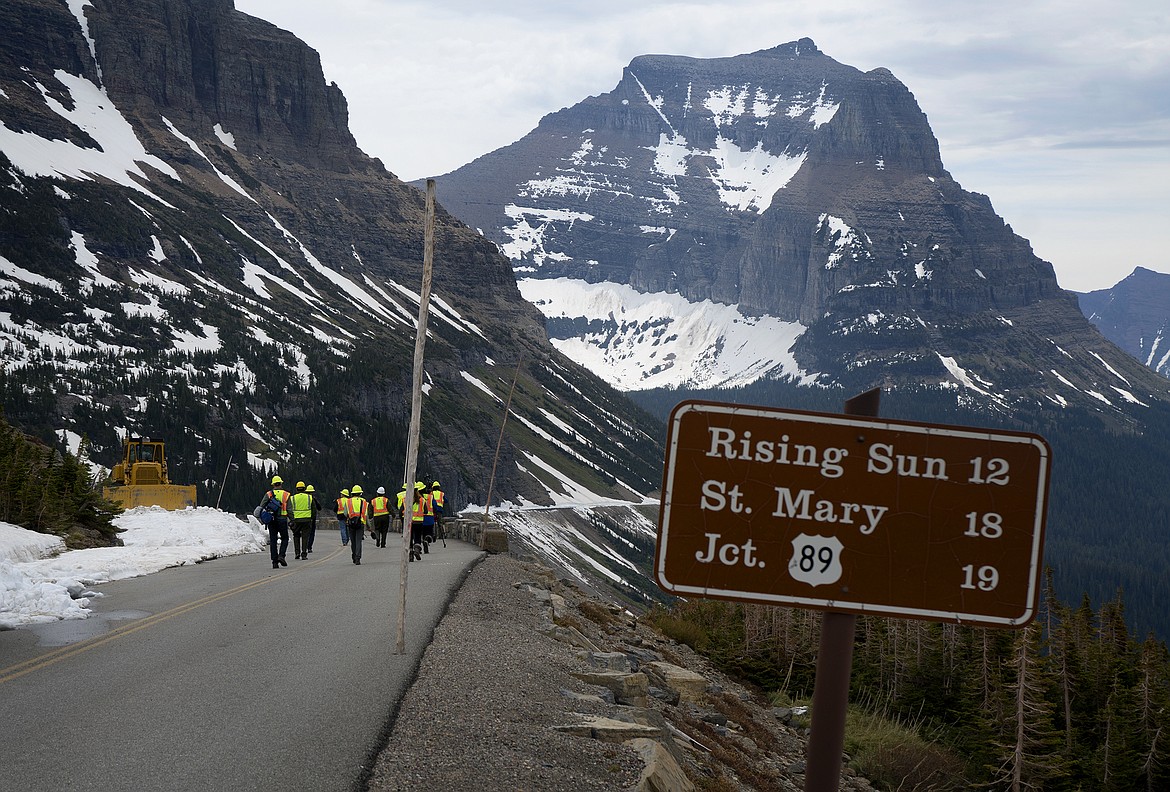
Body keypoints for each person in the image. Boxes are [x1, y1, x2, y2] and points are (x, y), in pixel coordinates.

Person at [260, 475, 292, 569]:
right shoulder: (286, 495)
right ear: (281, 483)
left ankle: (274, 562)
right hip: (282, 519)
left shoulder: (268, 494)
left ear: (273, 484)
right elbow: (289, 509)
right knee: (284, 538)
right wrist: (292, 520)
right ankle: (281, 556)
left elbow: (262, 506)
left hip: (271, 520)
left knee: (273, 540)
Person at [344, 485, 369, 565]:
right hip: (360, 523)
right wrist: (369, 526)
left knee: (353, 541)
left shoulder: (348, 501)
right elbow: (366, 515)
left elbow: (345, 513)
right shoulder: (364, 502)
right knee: (358, 541)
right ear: (360, 493)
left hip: (351, 523)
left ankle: (354, 556)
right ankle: (358, 558)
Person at [289, 481, 313, 560]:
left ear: (296, 489)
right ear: (304, 489)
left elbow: (290, 509)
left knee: (296, 536)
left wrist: (291, 519)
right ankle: (304, 554)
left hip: (296, 520)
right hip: (307, 519)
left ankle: (297, 553)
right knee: (305, 537)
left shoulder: (292, 498)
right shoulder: (309, 497)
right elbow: (313, 509)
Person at [305, 484, 322, 554]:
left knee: (305, 533)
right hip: (312, 518)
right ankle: (309, 547)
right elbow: (319, 508)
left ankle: (304, 546)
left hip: (305, 518)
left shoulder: (304, 498)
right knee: (311, 533)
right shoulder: (313, 499)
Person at [430, 480, 446, 547]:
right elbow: (446, 500)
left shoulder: (431, 493)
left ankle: (433, 535)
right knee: (440, 523)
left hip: (433, 509)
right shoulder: (442, 493)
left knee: (433, 523)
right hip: (439, 509)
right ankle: (441, 534)